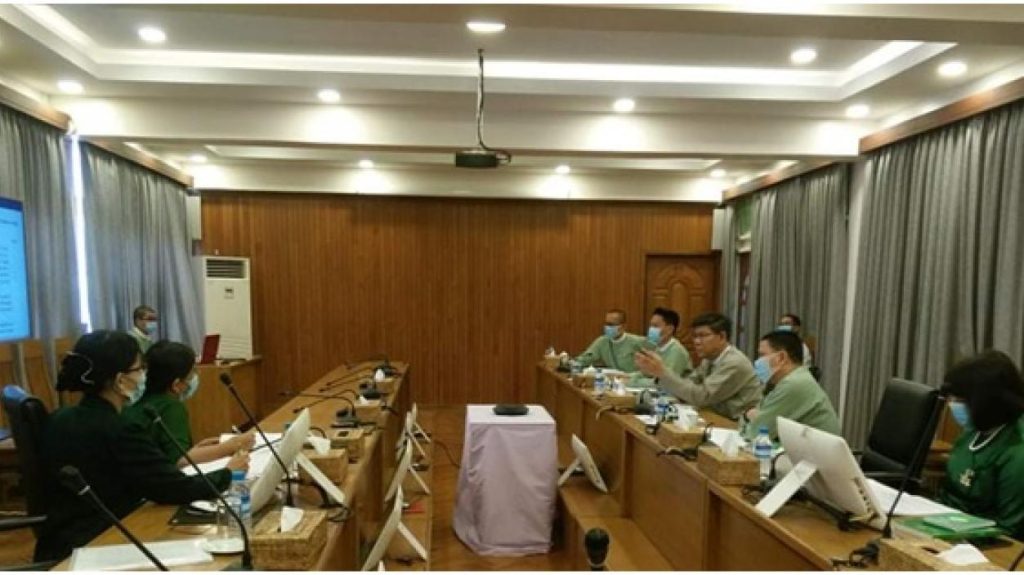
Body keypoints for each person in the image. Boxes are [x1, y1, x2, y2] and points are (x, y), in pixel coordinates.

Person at [35, 331, 249, 563]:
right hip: (98, 544)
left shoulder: (58, 418)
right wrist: (228, 473)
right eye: (139, 369)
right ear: (120, 380)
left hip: (56, 541)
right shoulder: (120, 429)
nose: (144, 375)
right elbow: (172, 488)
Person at [123, 340, 254, 468]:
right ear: (176, 385)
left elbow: (168, 451)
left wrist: (197, 450)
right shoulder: (171, 407)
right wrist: (233, 445)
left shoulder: (139, 404)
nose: (196, 376)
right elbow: (181, 460)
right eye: (192, 373)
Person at [939, 350, 1024, 538]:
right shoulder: (973, 431)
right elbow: (947, 494)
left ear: (985, 402)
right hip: (945, 525)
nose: (952, 404)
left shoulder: (1017, 451)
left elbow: (1009, 529)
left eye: (960, 400)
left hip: (989, 545)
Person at [634, 312, 760, 420]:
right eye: (695, 336)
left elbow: (700, 396)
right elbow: (689, 384)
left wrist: (662, 372)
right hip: (713, 417)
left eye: (703, 336)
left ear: (722, 336)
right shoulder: (709, 359)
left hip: (735, 424)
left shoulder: (734, 363)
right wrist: (658, 374)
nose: (696, 341)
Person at [738, 330, 839, 441]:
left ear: (781, 357)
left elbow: (755, 434)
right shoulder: (790, 380)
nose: (757, 361)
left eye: (762, 355)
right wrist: (752, 419)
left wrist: (748, 418)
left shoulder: (794, 384)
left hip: (813, 451)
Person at [632, 307, 693, 388]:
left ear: (670, 329)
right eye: (651, 326)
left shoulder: (677, 351)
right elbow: (647, 373)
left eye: (655, 326)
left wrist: (633, 382)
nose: (651, 330)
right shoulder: (657, 348)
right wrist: (626, 376)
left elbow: (664, 383)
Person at [575, 308, 645, 373]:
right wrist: (572, 362)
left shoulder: (637, 341)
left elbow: (649, 368)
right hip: (614, 379)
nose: (607, 327)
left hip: (633, 380)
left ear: (623, 326)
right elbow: (584, 359)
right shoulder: (602, 341)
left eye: (611, 324)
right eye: (606, 324)